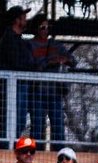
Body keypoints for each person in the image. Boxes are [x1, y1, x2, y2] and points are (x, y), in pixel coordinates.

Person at [28, 15, 73, 144]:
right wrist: (49, 61)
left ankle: (60, 153)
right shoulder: (29, 45)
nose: (46, 30)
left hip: (55, 91)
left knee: (58, 126)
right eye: (43, 27)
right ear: (36, 28)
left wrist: (65, 59)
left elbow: (73, 60)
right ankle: (35, 153)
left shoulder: (56, 45)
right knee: (37, 126)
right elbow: (30, 65)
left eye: (48, 27)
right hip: (37, 91)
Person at [0, 6, 35, 137]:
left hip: (21, 86)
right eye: (24, 18)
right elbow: (16, 63)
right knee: (12, 121)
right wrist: (35, 67)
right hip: (14, 87)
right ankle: (7, 149)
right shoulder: (9, 39)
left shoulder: (19, 40)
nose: (26, 20)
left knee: (19, 121)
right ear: (16, 20)